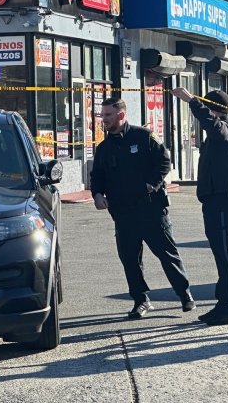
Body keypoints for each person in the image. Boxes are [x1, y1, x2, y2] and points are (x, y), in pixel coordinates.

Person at [90, 97, 194, 319]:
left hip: (151, 210)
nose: (104, 119)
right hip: (123, 213)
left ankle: (184, 294)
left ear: (121, 115)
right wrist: (97, 194)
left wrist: (152, 184)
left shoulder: (143, 137)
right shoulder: (104, 148)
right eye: (102, 115)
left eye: (108, 115)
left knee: (167, 254)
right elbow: (97, 175)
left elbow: (164, 162)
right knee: (130, 259)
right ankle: (141, 300)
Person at [172, 88, 228, 326]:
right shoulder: (222, 129)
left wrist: (192, 101)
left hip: (224, 199)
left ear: (213, 108)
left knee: (226, 255)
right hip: (215, 199)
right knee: (220, 254)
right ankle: (223, 304)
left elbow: (213, 126)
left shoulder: (227, 127)